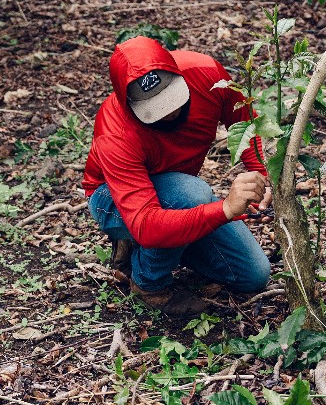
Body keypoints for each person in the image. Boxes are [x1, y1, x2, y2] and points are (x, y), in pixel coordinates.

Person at [83, 36, 272, 316]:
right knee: (190, 195)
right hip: (114, 200)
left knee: (253, 275)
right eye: (155, 108)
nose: (170, 111)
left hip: (177, 195)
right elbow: (147, 223)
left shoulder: (206, 74)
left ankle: (164, 239)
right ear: (128, 103)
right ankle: (150, 284)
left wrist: (259, 173)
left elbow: (244, 118)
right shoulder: (116, 133)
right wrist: (224, 209)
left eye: (172, 97)